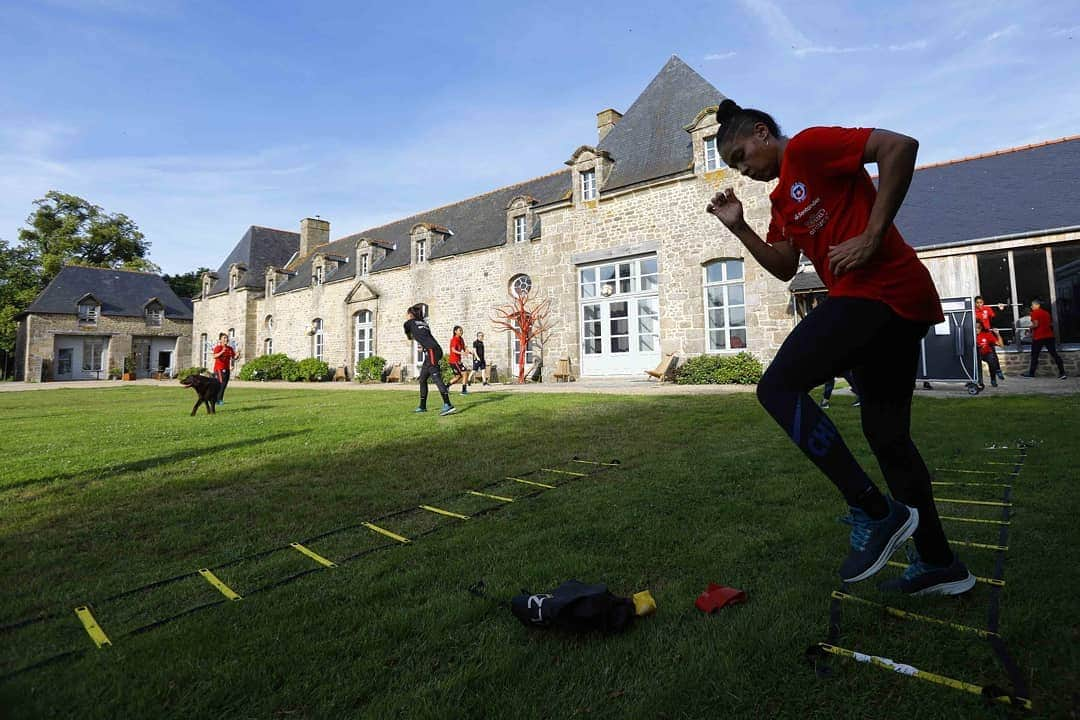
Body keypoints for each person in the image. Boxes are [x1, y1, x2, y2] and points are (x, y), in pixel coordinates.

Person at [705, 98, 973, 596]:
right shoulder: (782, 201)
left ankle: (873, 510)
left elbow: (898, 147)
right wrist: (738, 226)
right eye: (735, 167)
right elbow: (785, 266)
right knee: (887, 435)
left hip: (880, 291)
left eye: (743, 155)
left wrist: (873, 236)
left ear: (763, 133)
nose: (744, 170)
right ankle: (941, 564)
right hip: (893, 307)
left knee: (777, 388)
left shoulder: (808, 147)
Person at [403, 305, 455, 415]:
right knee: (422, 379)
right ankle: (422, 406)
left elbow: (409, 336)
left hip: (431, 351)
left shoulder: (408, 323)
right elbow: (426, 336)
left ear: (410, 315)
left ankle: (448, 404)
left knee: (436, 378)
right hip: (434, 349)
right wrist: (423, 345)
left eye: (407, 314)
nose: (406, 316)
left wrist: (411, 336)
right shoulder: (425, 323)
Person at [1021, 299, 1067, 379]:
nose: (1031, 307)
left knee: (1034, 355)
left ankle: (1031, 374)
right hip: (1049, 336)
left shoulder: (1035, 313)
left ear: (1037, 305)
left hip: (1039, 337)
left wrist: (1029, 328)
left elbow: (1036, 324)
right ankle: (1062, 373)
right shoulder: (1046, 313)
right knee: (1054, 354)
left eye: (1032, 305)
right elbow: (1049, 323)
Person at [975, 321, 1004, 388]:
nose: (977, 329)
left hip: (987, 352)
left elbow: (1001, 345)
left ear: (981, 328)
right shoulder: (971, 335)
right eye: (975, 327)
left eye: (978, 328)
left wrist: (997, 334)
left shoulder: (987, 334)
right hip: (977, 353)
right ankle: (980, 382)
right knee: (977, 366)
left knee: (992, 362)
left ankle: (993, 379)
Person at [210, 332, 236, 405]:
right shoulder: (218, 348)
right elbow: (215, 356)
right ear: (220, 340)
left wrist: (237, 356)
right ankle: (217, 400)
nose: (226, 339)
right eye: (224, 338)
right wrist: (222, 352)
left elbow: (233, 358)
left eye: (227, 338)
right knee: (221, 384)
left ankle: (218, 399)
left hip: (227, 369)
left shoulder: (230, 348)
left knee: (224, 385)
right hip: (219, 369)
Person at [447, 325, 472, 395]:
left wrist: (470, 352)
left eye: (462, 330)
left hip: (458, 360)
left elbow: (464, 348)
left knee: (458, 377)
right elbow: (453, 350)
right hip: (454, 361)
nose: (461, 332)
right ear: (455, 331)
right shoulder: (454, 339)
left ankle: (446, 387)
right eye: (460, 330)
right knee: (465, 373)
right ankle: (464, 391)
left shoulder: (461, 339)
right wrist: (461, 353)